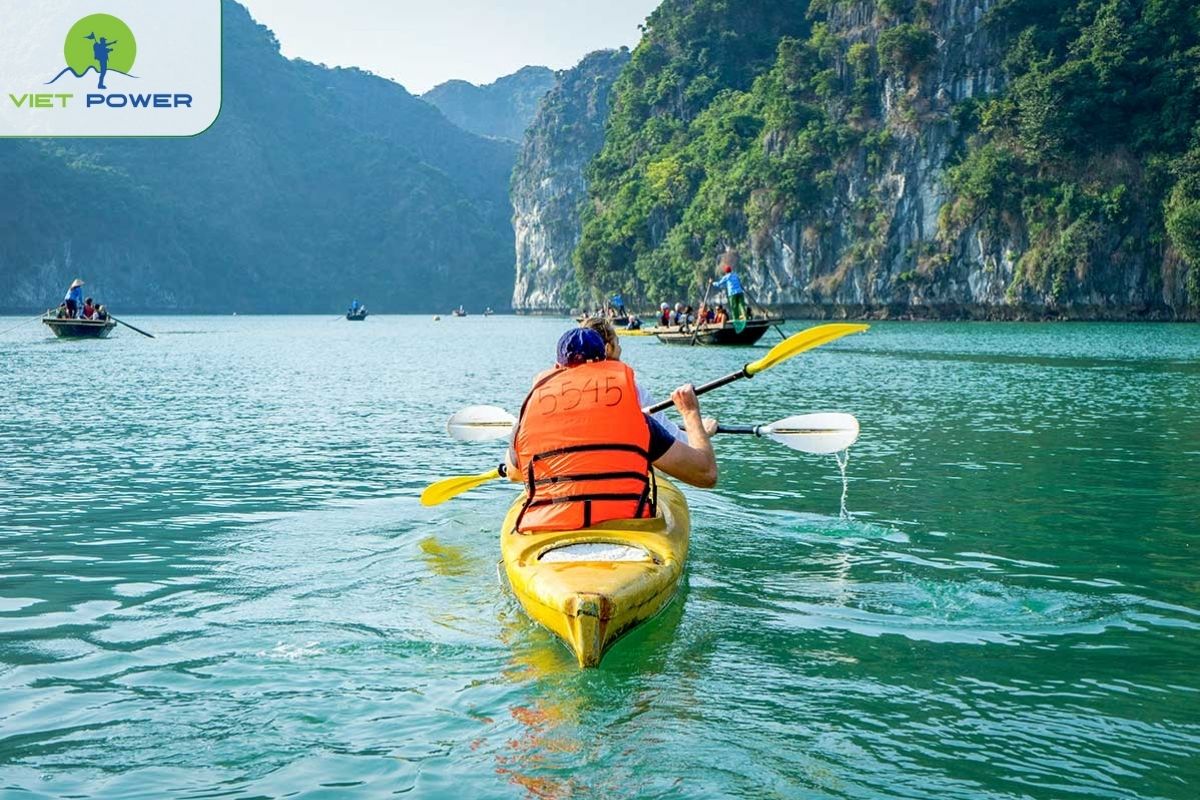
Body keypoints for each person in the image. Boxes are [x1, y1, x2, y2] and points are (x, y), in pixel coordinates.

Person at [504, 328, 718, 533]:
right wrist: (690, 413)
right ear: (604, 363)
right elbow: (705, 474)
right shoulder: (638, 422)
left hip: (548, 529)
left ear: (557, 367)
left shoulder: (528, 418)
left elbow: (514, 473)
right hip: (626, 528)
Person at [581, 316, 718, 444]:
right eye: (617, 343)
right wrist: (698, 427)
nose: (620, 349)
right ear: (607, 349)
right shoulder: (630, 390)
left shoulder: (568, 390)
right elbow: (677, 442)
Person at [713, 264, 748, 332]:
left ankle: (736, 320)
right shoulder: (735, 275)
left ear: (726, 272)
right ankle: (744, 317)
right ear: (731, 270)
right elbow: (739, 282)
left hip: (732, 294)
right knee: (741, 305)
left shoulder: (726, 277)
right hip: (740, 292)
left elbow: (719, 284)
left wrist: (712, 283)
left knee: (734, 307)